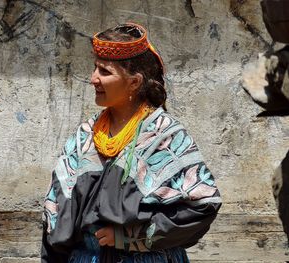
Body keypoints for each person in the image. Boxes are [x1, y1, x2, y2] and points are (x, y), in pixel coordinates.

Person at [41, 22, 222, 263]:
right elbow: (55, 213)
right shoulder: (84, 137)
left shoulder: (164, 136)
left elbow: (204, 204)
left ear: (134, 82)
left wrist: (132, 238)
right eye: (95, 69)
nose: (93, 79)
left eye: (105, 72)